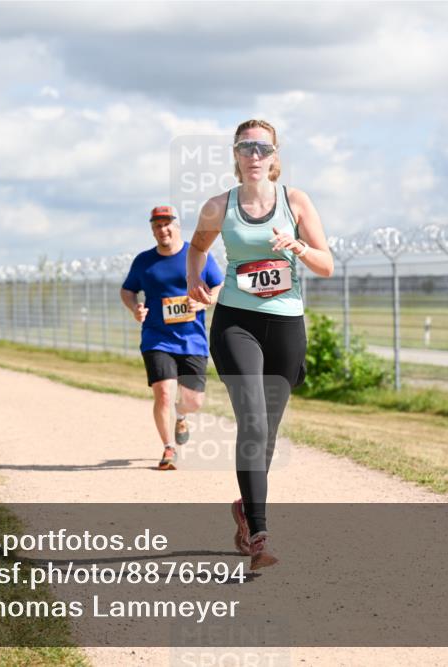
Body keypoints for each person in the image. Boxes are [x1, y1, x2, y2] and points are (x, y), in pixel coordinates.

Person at [187, 119, 333, 570]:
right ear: (235, 154)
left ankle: (244, 510)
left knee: (266, 432)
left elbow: (326, 264)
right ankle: (260, 535)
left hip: (287, 325)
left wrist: (299, 248)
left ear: (274, 155)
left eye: (262, 147)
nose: (254, 154)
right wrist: (195, 279)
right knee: (251, 420)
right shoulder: (218, 206)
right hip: (236, 323)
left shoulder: (296, 201)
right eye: (246, 146)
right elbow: (197, 248)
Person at [121, 205, 224, 471]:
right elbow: (127, 290)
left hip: (192, 340)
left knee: (193, 401)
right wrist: (135, 307)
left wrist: (204, 303)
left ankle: (181, 416)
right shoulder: (144, 261)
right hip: (157, 338)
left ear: (177, 225)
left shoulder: (197, 255)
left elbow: (218, 284)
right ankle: (168, 448)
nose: (162, 229)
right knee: (164, 394)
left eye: (167, 224)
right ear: (152, 229)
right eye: (157, 225)